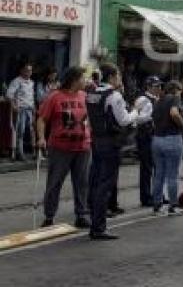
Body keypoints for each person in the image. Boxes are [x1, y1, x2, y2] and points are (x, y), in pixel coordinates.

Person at [86, 63, 140, 240]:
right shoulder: (114, 95)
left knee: (95, 181)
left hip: (96, 140)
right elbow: (124, 120)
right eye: (118, 75)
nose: (120, 79)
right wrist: (135, 112)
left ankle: (94, 221)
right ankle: (98, 227)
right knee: (105, 184)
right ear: (111, 77)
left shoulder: (92, 93)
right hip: (110, 142)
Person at [36, 67, 91, 228]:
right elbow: (42, 119)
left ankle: (81, 215)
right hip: (60, 148)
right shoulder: (55, 97)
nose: (85, 81)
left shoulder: (84, 96)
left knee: (82, 183)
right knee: (54, 183)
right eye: (83, 78)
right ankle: (49, 217)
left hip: (83, 147)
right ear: (74, 80)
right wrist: (41, 138)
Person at [151, 80, 183, 215]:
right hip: (172, 139)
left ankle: (156, 204)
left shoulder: (157, 101)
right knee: (172, 174)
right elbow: (174, 113)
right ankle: (173, 205)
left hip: (157, 140)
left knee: (159, 174)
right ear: (176, 90)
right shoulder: (174, 98)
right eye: (180, 91)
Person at [134, 76, 161, 207]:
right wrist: (150, 117)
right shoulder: (143, 99)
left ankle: (156, 195)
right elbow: (136, 118)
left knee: (156, 167)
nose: (159, 89)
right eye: (156, 86)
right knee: (146, 168)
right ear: (149, 87)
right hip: (145, 136)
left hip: (154, 136)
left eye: (159, 86)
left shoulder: (156, 99)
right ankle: (145, 197)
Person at [6, 63, 35, 161]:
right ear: (21, 71)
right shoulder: (16, 81)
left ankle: (32, 152)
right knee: (20, 132)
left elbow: (31, 97)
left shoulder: (31, 82)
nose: (29, 72)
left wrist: (33, 108)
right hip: (21, 109)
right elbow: (9, 94)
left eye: (30, 70)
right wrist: (14, 105)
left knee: (30, 131)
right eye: (27, 70)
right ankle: (19, 153)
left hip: (29, 109)